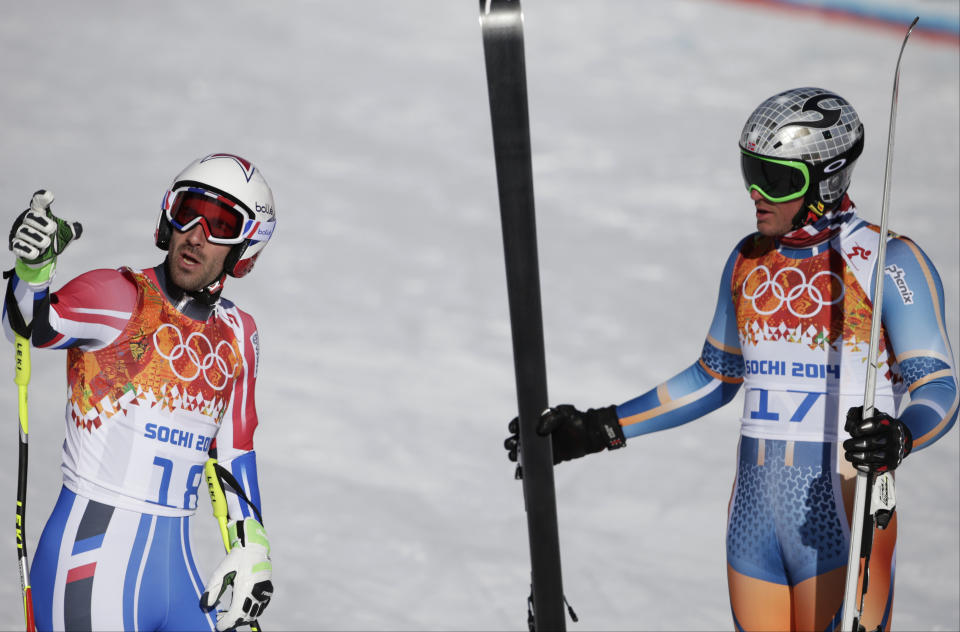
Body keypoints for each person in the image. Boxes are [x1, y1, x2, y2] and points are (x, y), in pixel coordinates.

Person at [504, 87, 957, 631]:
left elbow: (938, 387)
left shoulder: (889, 261)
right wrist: (601, 427)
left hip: (842, 512)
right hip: (754, 522)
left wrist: (899, 436)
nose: (757, 193)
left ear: (827, 181)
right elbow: (714, 376)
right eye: (751, 171)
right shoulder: (748, 260)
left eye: (779, 179)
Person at [4, 153, 277, 631]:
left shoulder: (237, 333)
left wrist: (251, 545)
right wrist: (34, 270)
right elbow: (28, 326)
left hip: (177, 574)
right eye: (187, 210)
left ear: (246, 248)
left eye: (221, 223)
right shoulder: (116, 294)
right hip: (88, 562)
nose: (196, 233)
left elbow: (234, 450)